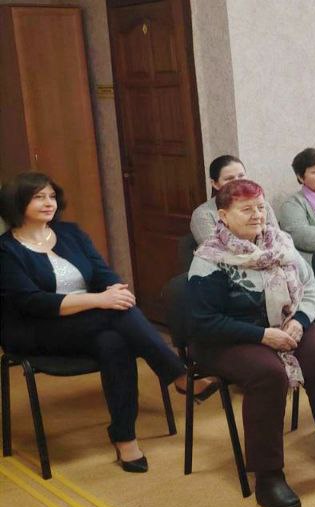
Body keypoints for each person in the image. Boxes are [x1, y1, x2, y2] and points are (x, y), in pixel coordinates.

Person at [0, 172, 214, 473]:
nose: (49, 203)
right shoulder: (6, 250)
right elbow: (32, 302)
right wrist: (99, 300)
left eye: (51, 196)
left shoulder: (70, 233)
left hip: (91, 322)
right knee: (116, 315)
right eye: (39, 197)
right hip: (37, 329)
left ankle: (125, 437)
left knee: (114, 340)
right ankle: (179, 376)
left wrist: (116, 292)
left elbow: (103, 273)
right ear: (16, 202)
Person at [187, 178, 315, 507]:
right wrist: (263, 336)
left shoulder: (280, 243)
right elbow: (204, 322)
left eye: (260, 207)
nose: (257, 215)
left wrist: (299, 320)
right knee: (268, 374)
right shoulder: (210, 259)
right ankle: (268, 476)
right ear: (223, 216)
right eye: (246, 209)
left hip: (285, 323)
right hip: (228, 337)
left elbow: (310, 287)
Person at [191, 155, 279, 244]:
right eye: (229, 179)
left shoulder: (262, 205)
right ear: (215, 184)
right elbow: (213, 247)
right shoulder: (204, 214)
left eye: (241, 176)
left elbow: (277, 239)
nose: (238, 182)